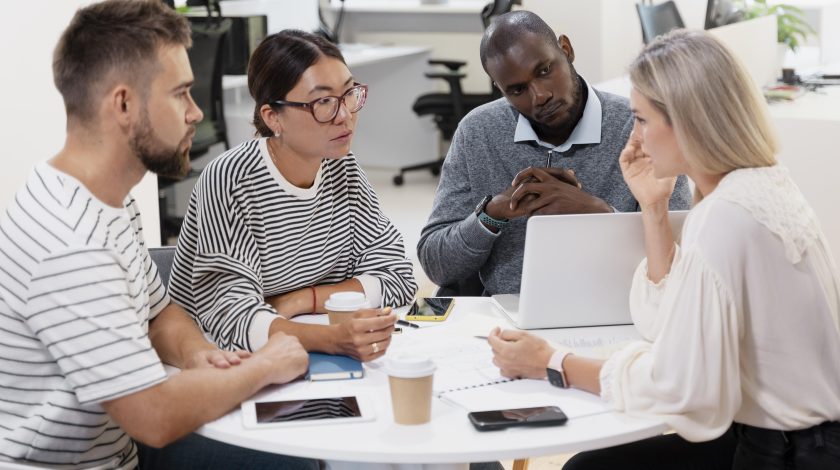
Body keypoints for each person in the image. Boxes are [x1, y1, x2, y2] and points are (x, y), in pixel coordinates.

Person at [489, 30, 840, 469]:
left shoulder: (727, 216)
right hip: (800, 437)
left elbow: (682, 388)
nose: (634, 139)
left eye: (641, 119)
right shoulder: (758, 183)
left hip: (788, 452)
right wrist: (653, 207)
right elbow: (667, 319)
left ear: (687, 123)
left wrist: (551, 361)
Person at [0, 2, 318, 469]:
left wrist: (201, 356)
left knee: (296, 457)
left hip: (122, 446)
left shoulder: (111, 198)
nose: (195, 113)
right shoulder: (70, 241)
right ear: (124, 104)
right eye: (181, 94)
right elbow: (153, 415)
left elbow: (160, 313)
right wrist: (264, 365)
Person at [167, 30, 416, 359]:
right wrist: (331, 338)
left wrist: (302, 299)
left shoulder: (343, 168)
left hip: (296, 341)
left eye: (349, 94)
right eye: (323, 102)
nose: (345, 116)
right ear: (273, 117)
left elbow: (398, 276)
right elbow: (231, 319)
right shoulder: (231, 180)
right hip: (213, 359)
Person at [418, 10, 691, 296]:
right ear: (500, 90)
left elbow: (683, 258)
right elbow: (437, 265)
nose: (540, 96)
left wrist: (601, 214)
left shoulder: (640, 126)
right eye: (517, 89)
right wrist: (490, 215)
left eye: (544, 71)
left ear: (566, 49)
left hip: (621, 311)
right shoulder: (477, 132)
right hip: (506, 319)